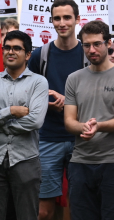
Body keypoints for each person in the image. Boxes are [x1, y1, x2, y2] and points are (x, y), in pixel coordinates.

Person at [64, 20, 114, 220]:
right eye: (86, 45)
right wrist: (83, 127)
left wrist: (98, 127)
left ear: (108, 43)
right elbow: (69, 121)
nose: (91, 50)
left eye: (97, 44)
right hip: (80, 162)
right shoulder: (74, 78)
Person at [27, 0, 85, 220]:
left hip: (80, 138)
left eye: (67, 17)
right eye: (57, 18)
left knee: (78, 205)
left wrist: (68, 100)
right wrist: (44, 102)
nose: (62, 22)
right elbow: (26, 94)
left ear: (77, 19)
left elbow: (97, 97)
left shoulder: (87, 55)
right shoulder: (39, 56)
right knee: (43, 211)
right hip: (47, 138)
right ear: (51, 21)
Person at [0, 30, 48, 220]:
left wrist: (3, 125)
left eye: (16, 48)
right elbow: (24, 118)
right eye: (7, 48)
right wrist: (11, 111)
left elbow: (36, 120)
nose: (10, 52)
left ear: (28, 54)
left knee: (26, 216)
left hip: (25, 159)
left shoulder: (38, 82)